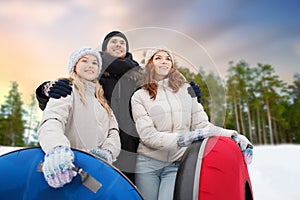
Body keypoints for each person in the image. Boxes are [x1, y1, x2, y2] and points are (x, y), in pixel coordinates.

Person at [35, 31, 202, 184]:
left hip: (133, 145)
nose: (118, 44)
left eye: (122, 42)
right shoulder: (93, 70)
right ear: (105, 47)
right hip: (96, 144)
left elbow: (160, 96)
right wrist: (45, 90)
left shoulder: (140, 75)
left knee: (125, 188)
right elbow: (66, 97)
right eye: (113, 41)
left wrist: (186, 95)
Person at [130, 46, 253, 200]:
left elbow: (203, 126)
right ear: (150, 64)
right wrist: (183, 139)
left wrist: (233, 135)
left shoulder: (186, 92)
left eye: (168, 58)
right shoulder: (139, 96)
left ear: (172, 65)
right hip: (147, 164)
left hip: (175, 164)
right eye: (158, 58)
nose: (164, 61)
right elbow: (148, 135)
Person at [37, 46, 121, 188]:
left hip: (92, 173)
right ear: (75, 66)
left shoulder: (102, 103)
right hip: (66, 167)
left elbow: (113, 132)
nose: (90, 65)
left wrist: (107, 152)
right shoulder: (65, 90)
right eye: (84, 61)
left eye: (95, 63)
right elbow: (52, 121)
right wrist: (56, 148)